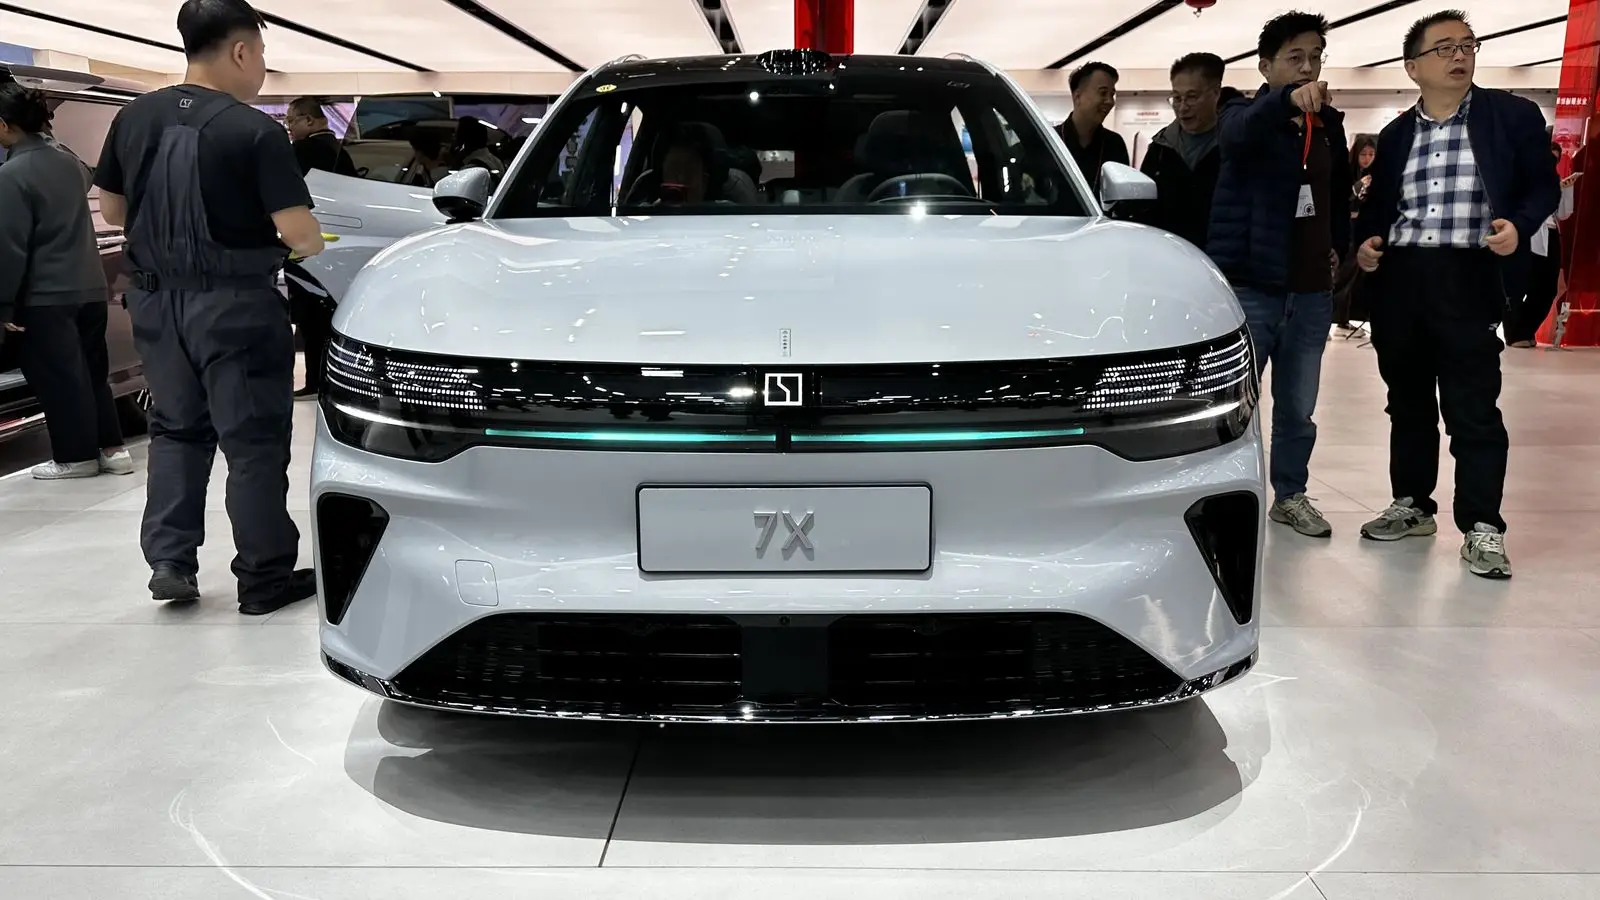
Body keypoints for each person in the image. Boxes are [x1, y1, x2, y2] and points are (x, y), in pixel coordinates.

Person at [93, 0, 325, 613]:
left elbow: (112, 210)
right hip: (236, 306)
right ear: (241, 51)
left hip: (155, 304)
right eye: (262, 54)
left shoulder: (133, 117)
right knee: (252, 442)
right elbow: (301, 235)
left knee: (174, 430)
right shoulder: (256, 130)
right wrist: (305, 242)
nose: (262, 68)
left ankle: (170, 562)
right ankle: (263, 577)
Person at [1354, 10, 1559, 578]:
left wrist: (1519, 225)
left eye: (1467, 45)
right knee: (1408, 402)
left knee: (1473, 407)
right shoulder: (1396, 135)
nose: (1459, 55)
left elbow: (1542, 187)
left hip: (1470, 274)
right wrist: (1365, 245)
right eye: (1443, 47)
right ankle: (1412, 504)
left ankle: (1483, 525)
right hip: (1402, 279)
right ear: (1412, 67)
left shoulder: (1511, 116)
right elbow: (1378, 209)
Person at [1207, 11, 1352, 538]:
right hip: (1252, 288)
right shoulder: (1240, 114)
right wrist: (1285, 100)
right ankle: (1221, 497)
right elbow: (1237, 136)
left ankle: (1290, 496)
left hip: (1310, 291)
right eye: (1295, 58)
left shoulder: (1328, 125)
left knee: (1298, 407)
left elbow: (1335, 196)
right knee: (1232, 406)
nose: (1308, 67)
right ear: (1266, 66)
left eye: (1315, 57)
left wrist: (1339, 249)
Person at [0, 83, 133, 480]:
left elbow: (10, 247)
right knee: (93, 373)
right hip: (90, 286)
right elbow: (90, 176)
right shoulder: (69, 162)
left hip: (45, 295)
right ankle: (112, 449)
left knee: (59, 378)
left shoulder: (11, 175)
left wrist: (4, 305)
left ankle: (75, 457)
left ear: (4, 126)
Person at [283, 96, 351, 399]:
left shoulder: (302, 152)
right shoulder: (341, 151)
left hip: (308, 246)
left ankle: (315, 380)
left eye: (291, 121)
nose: (289, 128)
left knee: (310, 317)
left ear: (308, 120)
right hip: (341, 244)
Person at [1135, 52, 1236, 249]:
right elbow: (1143, 211)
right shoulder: (1160, 149)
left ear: (1216, 93)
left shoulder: (1233, 146)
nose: (1182, 107)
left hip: (1220, 256)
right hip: (1167, 255)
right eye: (1176, 98)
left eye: (1191, 97)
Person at [1504, 133, 1577, 347]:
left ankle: (1524, 330)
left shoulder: (1553, 181)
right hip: (1527, 233)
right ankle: (1514, 334)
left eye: (1556, 159)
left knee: (1547, 288)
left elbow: (1563, 213)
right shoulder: (1523, 176)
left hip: (1550, 234)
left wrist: (1566, 189)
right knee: (1518, 286)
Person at [1056, 61, 1128, 194]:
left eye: (1112, 94)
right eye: (1103, 93)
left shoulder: (1114, 144)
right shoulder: (1050, 140)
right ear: (1078, 97)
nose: (1110, 101)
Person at [1333, 133, 1379, 333]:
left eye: (1371, 154)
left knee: (1355, 277)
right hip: (1347, 227)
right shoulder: (1348, 172)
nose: (1367, 159)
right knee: (1343, 273)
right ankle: (1332, 318)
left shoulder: (1375, 174)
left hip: (1363, 228)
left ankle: (1344, 319)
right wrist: (1358, 187)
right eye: (1363, 154)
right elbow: (1343, 199)